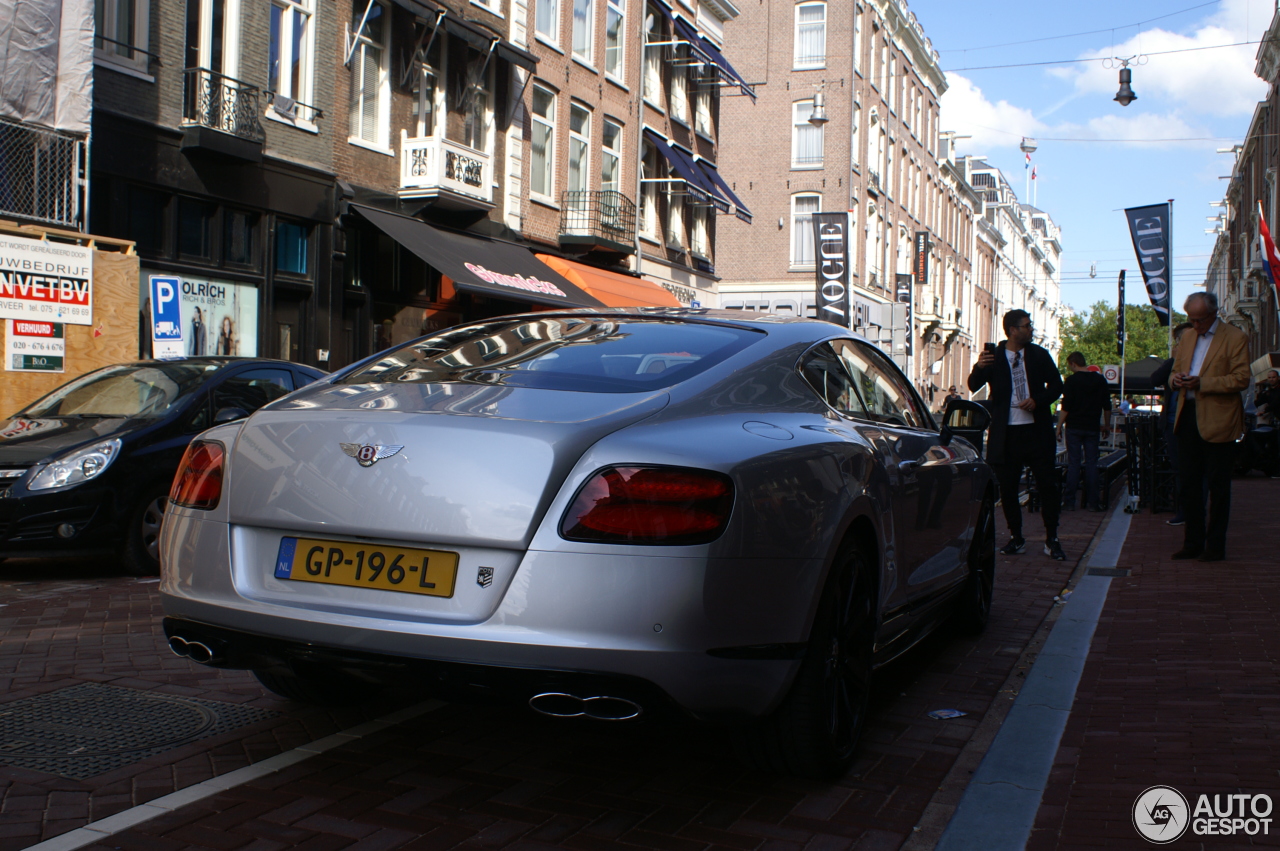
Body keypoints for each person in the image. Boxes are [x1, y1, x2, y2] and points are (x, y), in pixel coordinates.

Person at [968, 309, 1066, 560]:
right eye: (1026, 325)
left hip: (1036, 431)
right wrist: (979, 367)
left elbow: (1057, 385)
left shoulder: (1038, 355)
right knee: (1008, 489)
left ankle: (1052, 538)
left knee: (1048, 486)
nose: (1031, 329)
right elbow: (972, 385)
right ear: (1012, 330)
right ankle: (1016, 537)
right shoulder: (995, 356)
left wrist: (1038, 400)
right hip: (1005, 434)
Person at [1169, 292, 1250, 562]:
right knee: (1189, 485)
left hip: (1219, 421)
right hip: (1188, 416)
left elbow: (1240, 379)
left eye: (1200, 320)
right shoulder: (1188, 337)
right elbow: (1173, 371)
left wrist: (1202, 383)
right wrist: (1176, 379)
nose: (1195, 325)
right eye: (1191, 320)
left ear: (1214, 314)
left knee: (1218, 487)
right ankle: (1192, 542)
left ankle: (1215, 546)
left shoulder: (1235, 337)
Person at [1056, 352, 1111, 512]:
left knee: (1074, 463)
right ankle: (1093, 502)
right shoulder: (1100, 380)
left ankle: (1070, 501)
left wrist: (1059, 425)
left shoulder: (1072, 381)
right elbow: (1107, 405)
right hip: (1092, 426)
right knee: (1092, 463)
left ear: (1073, 363)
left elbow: (1066, 406)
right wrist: (1106, 425)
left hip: (1074, 426)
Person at [1151, 322, 1194, 526]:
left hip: (1194, 420)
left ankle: (1196, 511)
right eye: (1180, 340)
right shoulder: (1174, 362)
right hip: (1171, 422)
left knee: (1196, 469)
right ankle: (1183, 510)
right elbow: (1155, 378)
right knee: (1178, 468)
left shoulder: (1200, 360)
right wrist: (1173, 360)